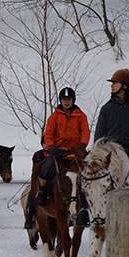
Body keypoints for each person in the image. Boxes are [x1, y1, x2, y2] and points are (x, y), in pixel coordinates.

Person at [35, 87, 91, 226]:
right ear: (60, 101)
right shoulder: (54, 117)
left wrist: (83, 145)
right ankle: (41, 192)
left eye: (69, 99)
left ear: (73, 100)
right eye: (64, 100)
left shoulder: (81, 116)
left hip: (75, 151)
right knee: (45, 169)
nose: (66, 102)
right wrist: (52, 146)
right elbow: (48, 133)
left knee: (88, 173)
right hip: (59, 152)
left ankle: (86, 203)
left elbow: (85, 132)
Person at [24, 135, 50, 229]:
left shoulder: (55, 154)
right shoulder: (38, 155)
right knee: (32, 193)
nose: (46, 145)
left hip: (53, 178)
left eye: (47, 143)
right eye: (44, 143)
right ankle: (29, 217)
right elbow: (35, 168)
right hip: (40, 178)